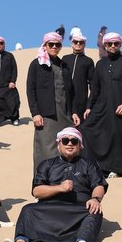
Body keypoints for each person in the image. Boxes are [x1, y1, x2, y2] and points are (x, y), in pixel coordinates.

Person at [6, 128, 107, 242]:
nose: (69, 143)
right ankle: (21, 241)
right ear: (59, 144)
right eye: (65, 140)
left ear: (80, 145)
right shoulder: (46, 164)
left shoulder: (89, 164)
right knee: (28, 209)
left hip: (77, 210)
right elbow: (37, 191)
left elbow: (99, 184)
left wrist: (95, 199)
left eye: (74, 141)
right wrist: (59, 188)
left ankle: (82, 241)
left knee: (95, 212)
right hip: (49, 209)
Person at [82, 32, 122, 178]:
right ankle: (96, 165)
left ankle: (116, 169)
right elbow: (95, 88)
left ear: (120, 45)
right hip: (101, 106)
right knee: (86, 129)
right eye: (109, 44)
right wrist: (88, 107)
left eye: (116, 44)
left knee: (116, 135)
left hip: (119, 106)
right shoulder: (100, 64)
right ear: (105, 45)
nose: (112, 46)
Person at [27, 32, 80, 172]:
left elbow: (71, 92)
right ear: (45, 45)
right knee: (45, 151)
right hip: (46, 116)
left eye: (58, 45)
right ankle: (42, 184)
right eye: (51, 44)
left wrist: (74, 111)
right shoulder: (36, 64)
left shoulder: (64, 66)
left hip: (65, 115)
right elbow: (30, 91)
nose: (54, 47)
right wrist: (35, 113)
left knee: (65, 149)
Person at [62, 30, 94, 121]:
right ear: (72, 44)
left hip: (81, 100)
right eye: (76, 42)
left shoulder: (88, 61)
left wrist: (90, 103)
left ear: (84, 44)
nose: (78, 44)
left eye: (81, 42)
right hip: (65, 97)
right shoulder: (65, 59)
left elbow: (92, 83)